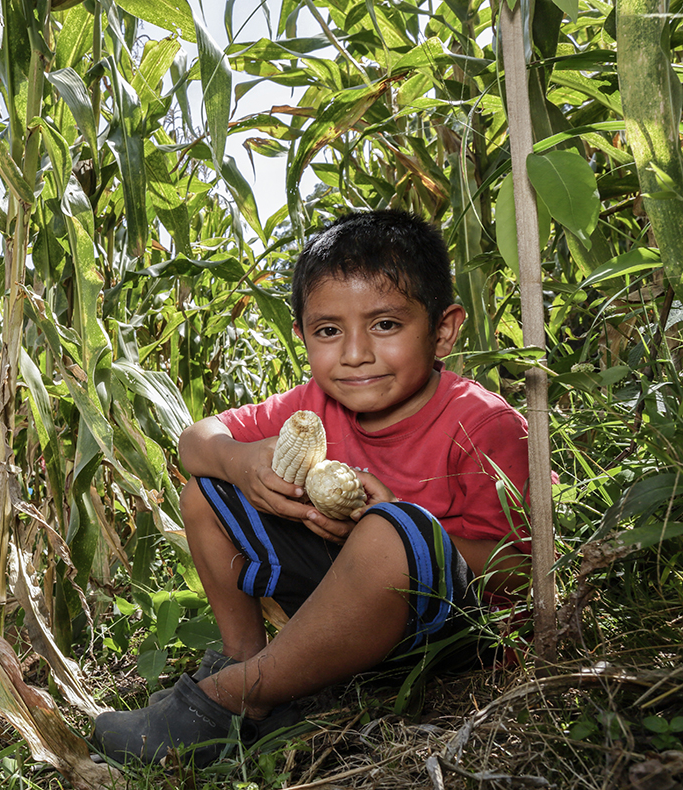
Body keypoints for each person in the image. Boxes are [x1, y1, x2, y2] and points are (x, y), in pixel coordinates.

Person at [93, 210, 533, 765]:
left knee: (391, 532)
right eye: (329, 331)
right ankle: (244, 665)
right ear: (302, 335)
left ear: (442, 330)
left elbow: (519, 572)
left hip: (450, 642)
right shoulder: (313, 407)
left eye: (386, 325)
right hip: (340, 618)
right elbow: (194, 441)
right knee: (206, 490)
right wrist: (239, 459)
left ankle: (229, 697)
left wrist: (396, 522)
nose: (354, 353)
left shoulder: (485, 425)